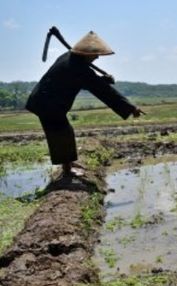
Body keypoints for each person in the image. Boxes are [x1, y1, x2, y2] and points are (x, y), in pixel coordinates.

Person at [25, 31, 144, 177]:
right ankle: (68, 170)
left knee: (64, 132)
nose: (97, 57)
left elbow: (84, 81)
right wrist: (131, 108)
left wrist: (103, 80)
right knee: (61, 132)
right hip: (47, 103)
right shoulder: (78, 67)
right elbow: (102, 91)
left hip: (44, 100)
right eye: (95, 54)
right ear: (86, 53)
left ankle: (68, 163)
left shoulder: (70, 59)